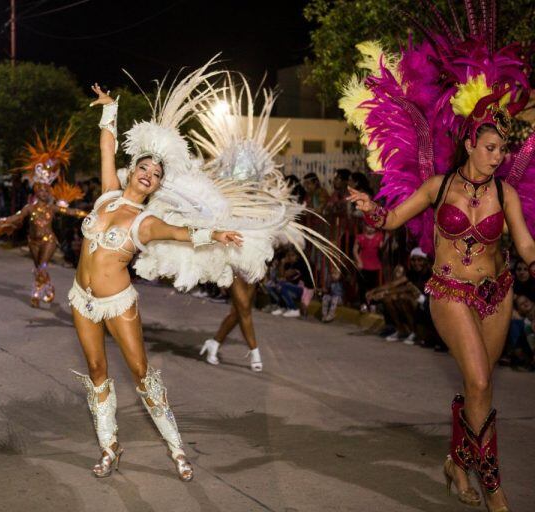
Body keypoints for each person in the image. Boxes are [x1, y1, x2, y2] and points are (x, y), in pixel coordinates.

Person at [342, 5, 535, 508]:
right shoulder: (437, 186)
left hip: (498, 294)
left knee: (481, 388)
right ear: (471, 142)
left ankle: (455, 464)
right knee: (475, 379)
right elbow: (390, 220)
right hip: (450, 290)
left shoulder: (506, 195)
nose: (497, 157)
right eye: (490, 148)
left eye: (502, 150)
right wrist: (369, 208)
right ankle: (493, 484)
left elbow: (526, 247)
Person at [71, 77, 242, 481]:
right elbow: (106, 147)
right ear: (133, 172)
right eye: (145, 167)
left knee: (140, 372)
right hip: (82, 299)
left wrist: (216, 234)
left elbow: (184, 234)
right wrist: (111, 109)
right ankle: (109, 447)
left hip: (118, 304)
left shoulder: (146, 222)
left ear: (159, 186)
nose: (149, 173)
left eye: (157, 173)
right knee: (96, 370)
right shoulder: (108, 194)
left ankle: (177, 449)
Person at [193, 76, 337, 372]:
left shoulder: (259, 199)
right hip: (230, 253)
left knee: (240, 308)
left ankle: (215, 343)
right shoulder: (225, 200)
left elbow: (274, 217)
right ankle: (255, 353)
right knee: (244, 305)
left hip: (254, 252)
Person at [0, 129, 86, 307]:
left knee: (43, 266)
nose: (43, 192)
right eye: (40, 190)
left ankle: (36, 294)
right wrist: (5, 220)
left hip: (48, 240)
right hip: (33, 241)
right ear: (36, 191)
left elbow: (70, 212)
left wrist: (88, 214)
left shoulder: (52, 207)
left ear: (49, 192)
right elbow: (17, 217)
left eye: (46, 190)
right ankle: (49, 287)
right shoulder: (30, 208)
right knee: (38, 268)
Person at [353, 224, 385, 311]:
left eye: (372, 226)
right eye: (368, 226)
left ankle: (373, 303)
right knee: (362, 285)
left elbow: (382, 248)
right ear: (364, 226)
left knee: (373, 286)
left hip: (374, 265)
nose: (370, 228)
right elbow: (355, 250)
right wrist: (359, 261)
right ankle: (363, 303)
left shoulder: (379, 237)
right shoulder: (360, 237)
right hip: (363, 265)